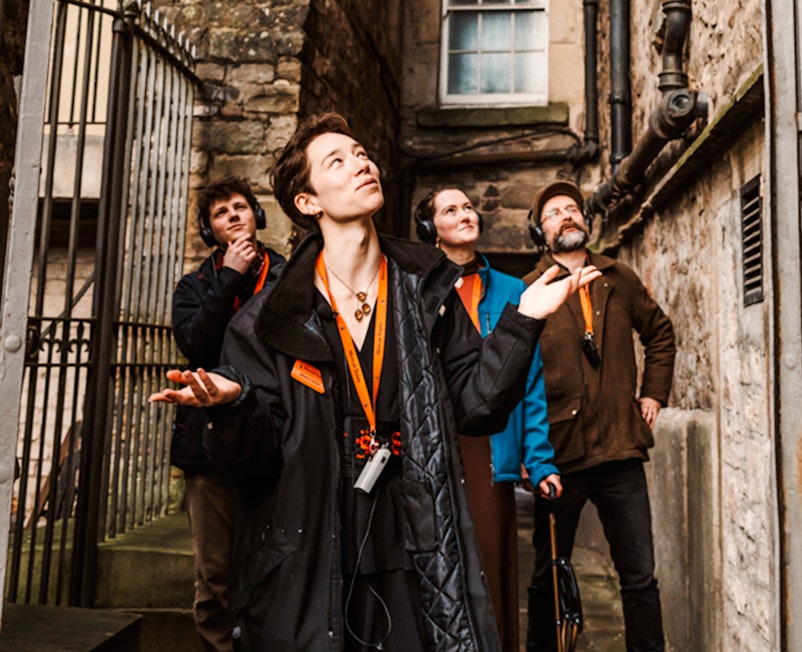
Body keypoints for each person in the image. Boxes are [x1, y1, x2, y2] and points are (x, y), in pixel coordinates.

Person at [150, 113, 600, 651]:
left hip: (413, 543)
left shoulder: (431, 291)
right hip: (313, 555)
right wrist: (234, 405)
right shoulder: (267, 320)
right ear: (308, 202)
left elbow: (477, 407)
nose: (361, 163)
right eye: (337, 161)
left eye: (361, 153)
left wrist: (522, 321)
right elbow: (247, 465)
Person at [522, 180, 676, 652]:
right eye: (554, 212)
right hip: (559, 456)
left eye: (572, 208)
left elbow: (660, 334)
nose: (567, 215)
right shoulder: (529, 291)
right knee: (549, 575)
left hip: (620, 450)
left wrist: (653, 394)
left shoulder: (619, 277)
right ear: (540, 230)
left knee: (639, 578)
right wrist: (529, 452)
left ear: (585, 222)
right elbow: (514, 374)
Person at [414, 186, 563, 652]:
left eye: (469, 206)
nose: (466, 215)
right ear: (429, 229)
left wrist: (539, 461)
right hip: (438, 445)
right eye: (451, 209)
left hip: (492, 446)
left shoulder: (512, 289)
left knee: (493, 577)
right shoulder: (416, 287)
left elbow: (530, 381)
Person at [169, 175, 286, 652]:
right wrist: (230, 277)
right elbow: (197, 344)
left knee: (273, 564)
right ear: (209, 229)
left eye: (241, 207)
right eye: (221, 212)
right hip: (208, 449)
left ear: (257, 216)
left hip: (273, 438)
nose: (234, 216)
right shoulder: (193, 286)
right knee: (214, 574)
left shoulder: (288, 274)